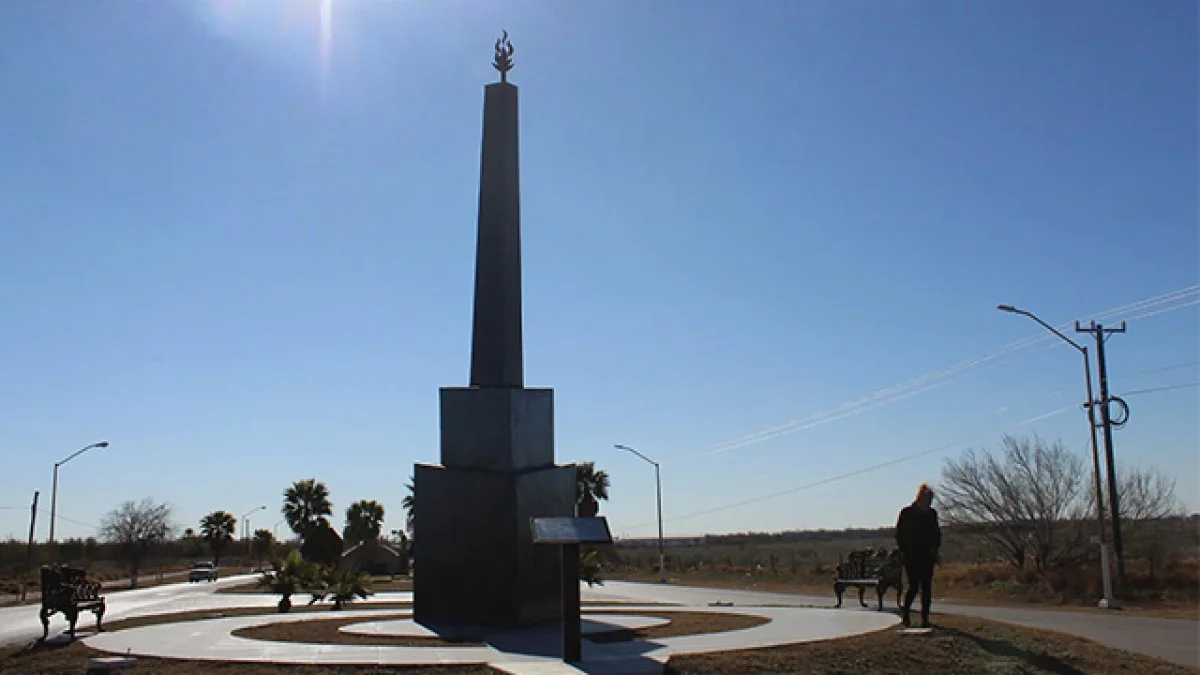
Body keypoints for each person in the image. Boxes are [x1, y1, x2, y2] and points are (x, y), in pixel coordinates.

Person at [895, 483, 942, 627]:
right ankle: (906, 614)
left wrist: (935, 548)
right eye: (927, 500)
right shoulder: (907, 513)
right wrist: (905, 551)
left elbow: (936, 533)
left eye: (930, 501)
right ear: (920, 498)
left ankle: (925, 619)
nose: (928, 503)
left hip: (927, 556)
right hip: (912, 556)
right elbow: (900, 535)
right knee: (913, 587)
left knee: (926, 588)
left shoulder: (932, 514)